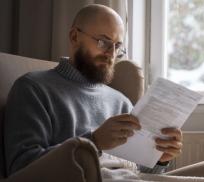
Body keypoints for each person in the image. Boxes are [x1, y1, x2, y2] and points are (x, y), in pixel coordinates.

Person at [4, 4, 183, 177]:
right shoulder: (33, 89)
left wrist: (160, 159)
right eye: (103, 42)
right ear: (74, 37)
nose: (111, 54)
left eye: (117, 46)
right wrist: (94, 141)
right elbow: (22, 168)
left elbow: (138, 171)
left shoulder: (121, 101)